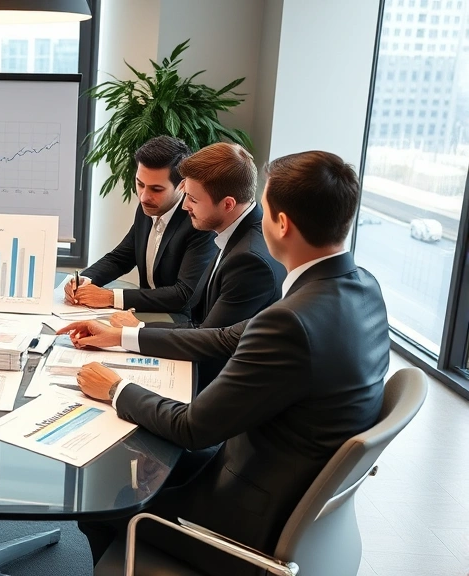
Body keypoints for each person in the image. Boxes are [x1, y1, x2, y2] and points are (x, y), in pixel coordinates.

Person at [59, 151, 390, 575]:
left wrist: (114, 387)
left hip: (242, 520)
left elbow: (192, 428)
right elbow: (226, 335)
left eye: (264, 207)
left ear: (282, 224)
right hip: (284, 483)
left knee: (105, 499)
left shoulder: (290, 322)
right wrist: (122, 336)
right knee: (143, 459)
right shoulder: (361, 287)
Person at [110, 142, 286, 392]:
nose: (184, 206)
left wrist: (135, 330)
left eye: (192, 199)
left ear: (227, 204)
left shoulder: (250, 260)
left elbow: (208, 339)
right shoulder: (235, 232)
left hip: (221, 386)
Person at [64, 135, 216, 314]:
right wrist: (85, 279)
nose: (143, 197)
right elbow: (120, 258)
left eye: (156, 189)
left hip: (181, 321)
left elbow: (184, 295)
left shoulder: (199, 222)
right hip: (146, 314)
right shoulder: (148, 207)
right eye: (140, 184)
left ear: (182, 185)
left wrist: (111, 297)